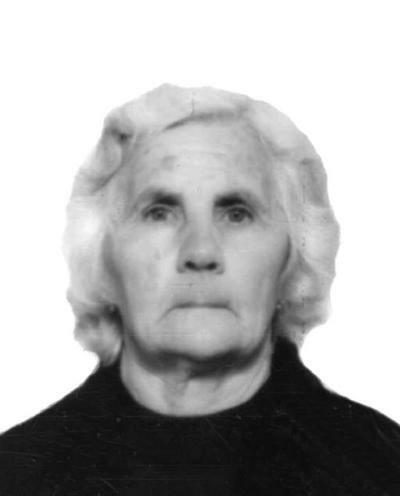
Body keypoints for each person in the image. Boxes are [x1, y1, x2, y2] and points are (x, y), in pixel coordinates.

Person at [0, 84, 399, 495]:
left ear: (294, 256)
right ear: (100, 257)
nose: (201, 252)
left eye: (237, 214)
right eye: (159, 213)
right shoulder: (14, 475)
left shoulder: (383, 470)